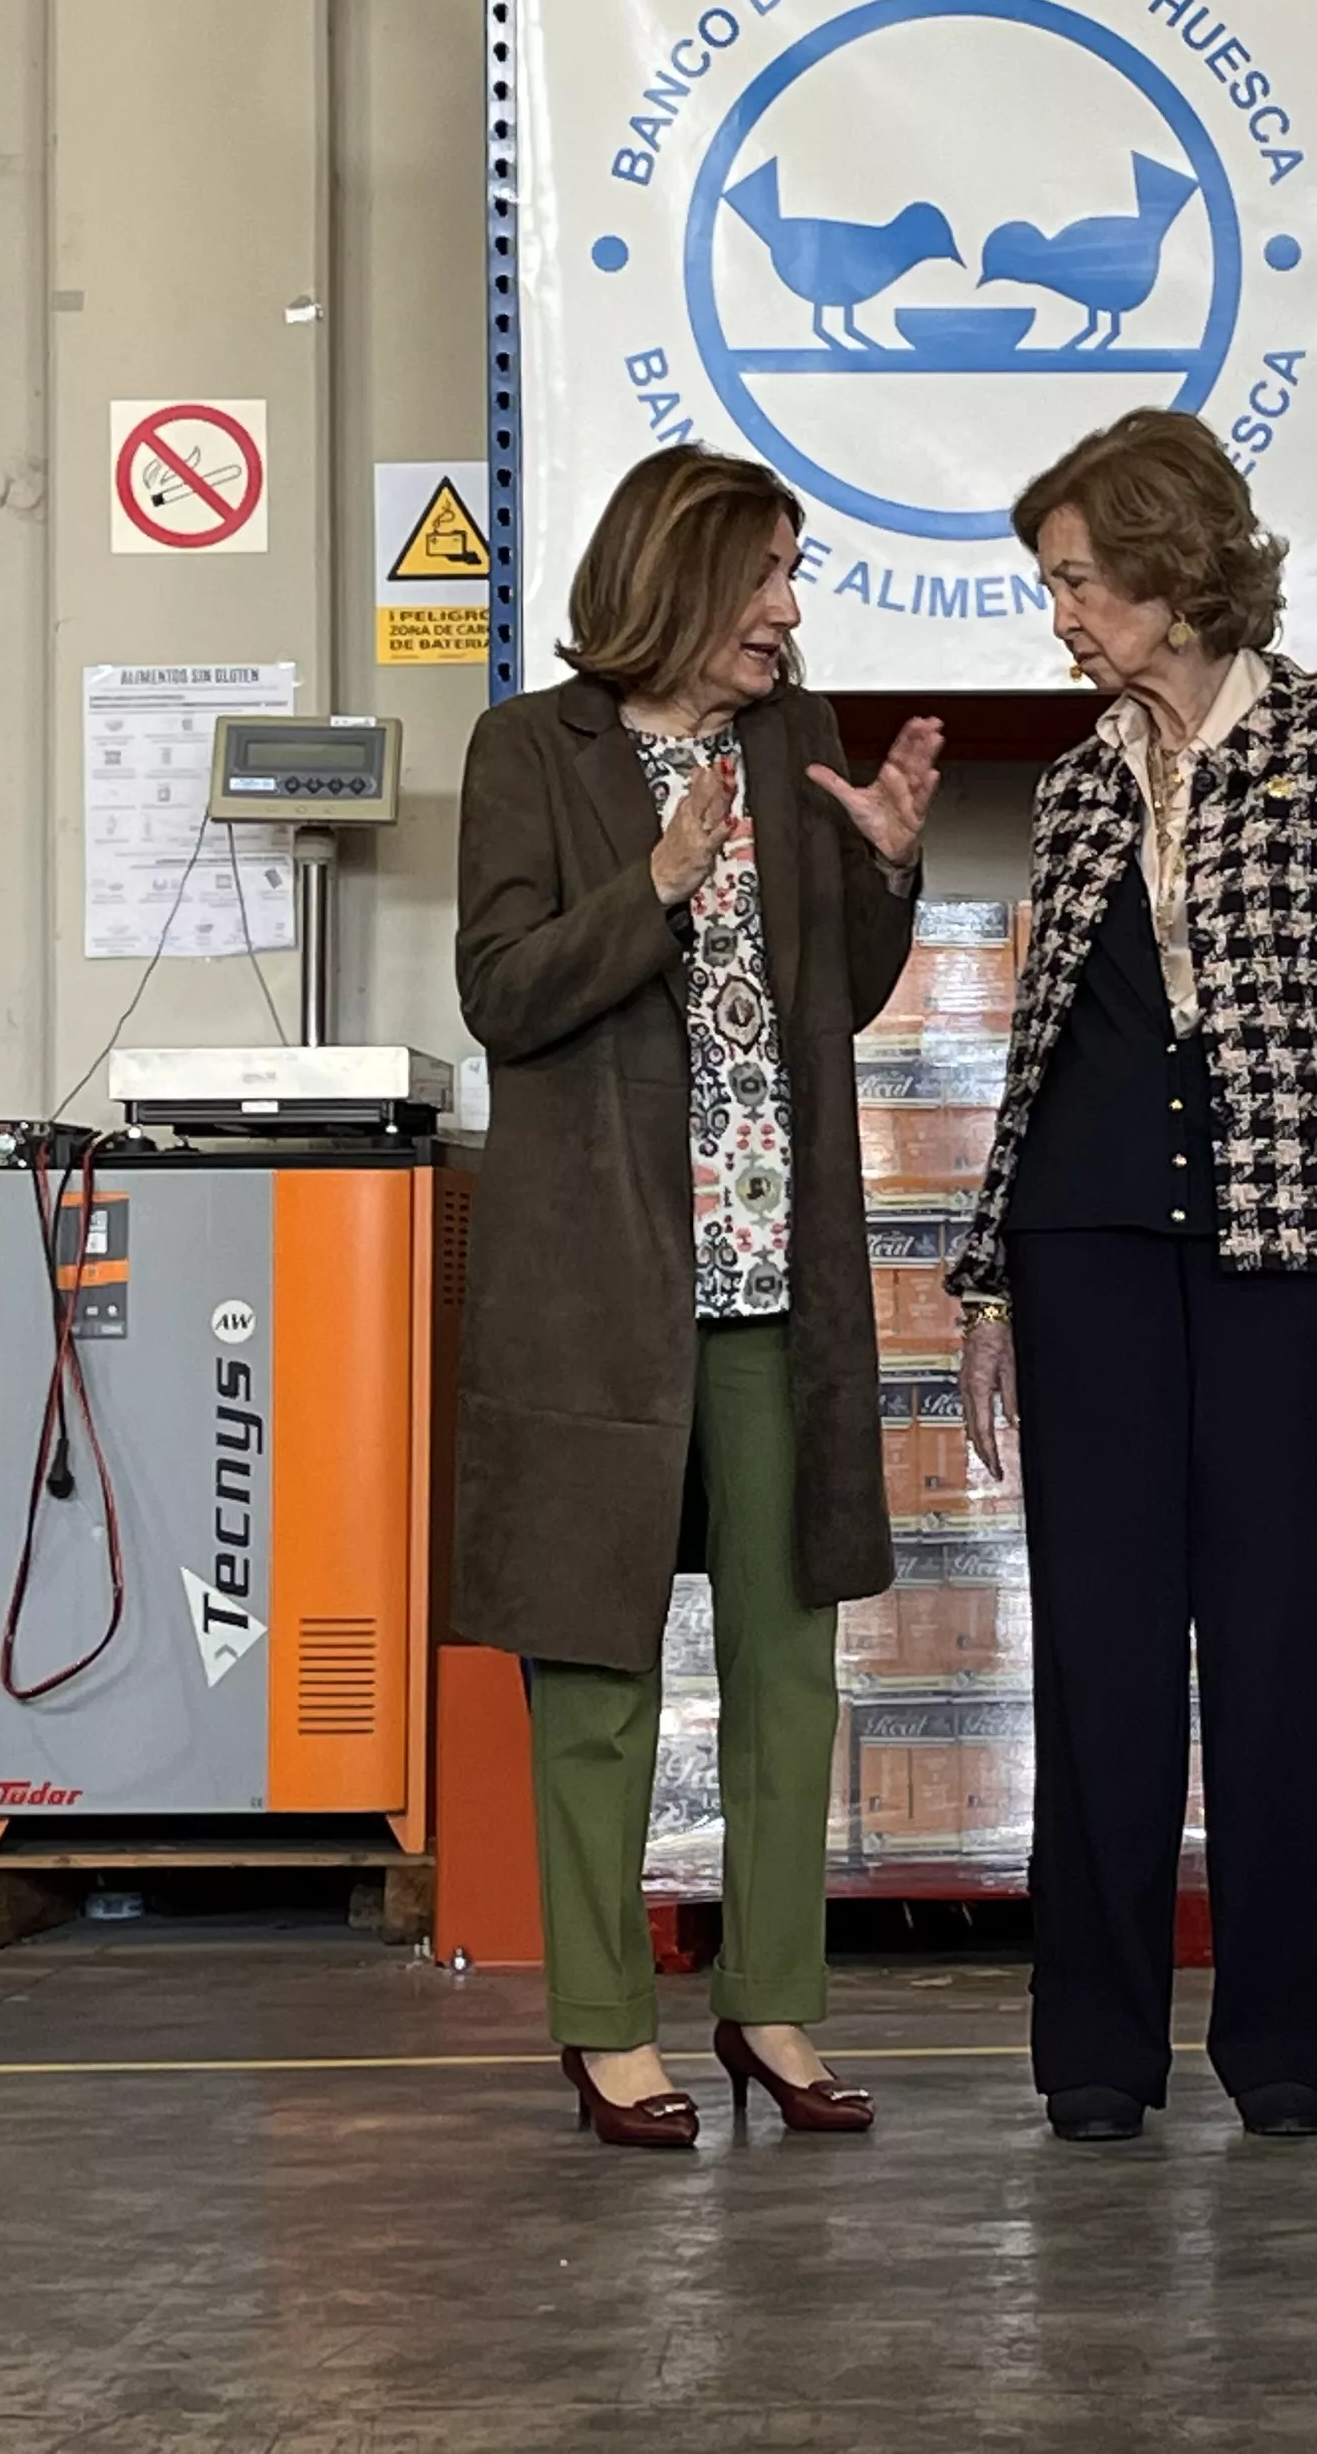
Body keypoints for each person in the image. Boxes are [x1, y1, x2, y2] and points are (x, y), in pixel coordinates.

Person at [955, 409, 1317, 2145]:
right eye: (1052, 585)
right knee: (1095, 1655)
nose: (1063, 616)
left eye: (1079, 581)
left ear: (1174, 575)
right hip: (1085, 1249)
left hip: (1283, 1253)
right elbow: (1038, 1053)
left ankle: (1282, 2044)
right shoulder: (1077, 783)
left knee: (1275, 1648)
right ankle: (1096, 2052)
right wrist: (989, 1291)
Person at [453, 444, 944, 2150]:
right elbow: (504, 991)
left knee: (787, 1664)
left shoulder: (796, 744)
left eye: (794, 576)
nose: (789, 609)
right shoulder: (533, 751)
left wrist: (885, 871)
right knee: (594, 1670)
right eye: (767, 575)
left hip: (774, 1282)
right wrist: (655, 885)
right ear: (680, 578)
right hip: (602, 1289)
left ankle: (773, 2003)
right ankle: (605, 2027)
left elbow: (835, 999)